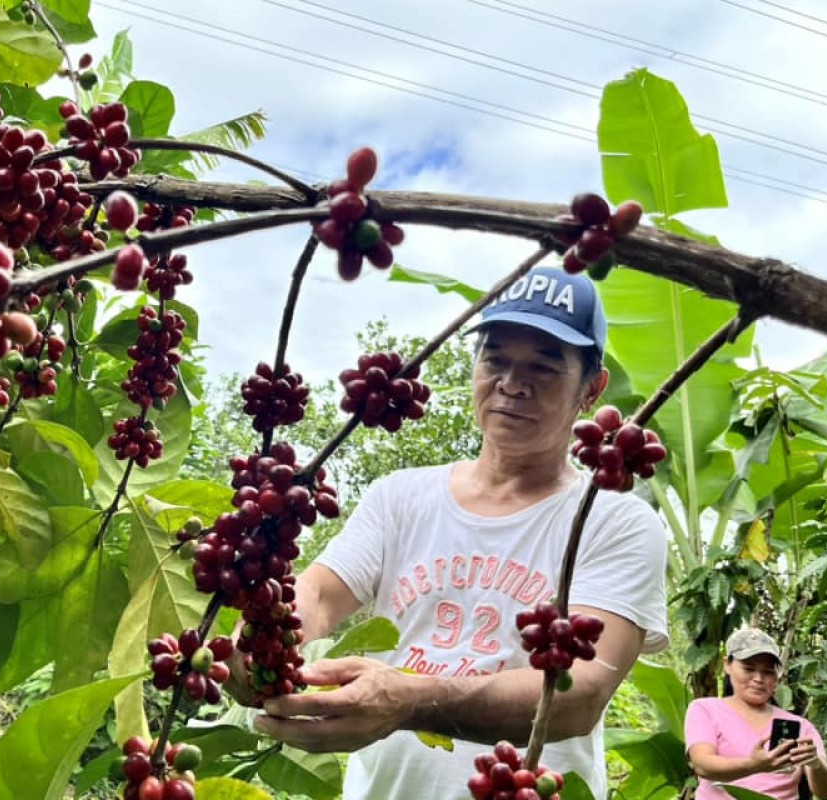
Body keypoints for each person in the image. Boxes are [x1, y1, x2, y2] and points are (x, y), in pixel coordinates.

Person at [243, 266, 671, 800]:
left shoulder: (619, 522)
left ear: (592, 389)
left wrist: (410, 699)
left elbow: (579, 695)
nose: (513, 384)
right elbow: (319, 592)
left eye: (544, 367)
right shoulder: (400, 497)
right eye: (496, 360)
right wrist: (263, 632)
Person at [684, 627, 827, 800]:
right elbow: (703, 765)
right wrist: (755, 765)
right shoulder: (705, 709)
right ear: (727, 664)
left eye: (767, 672)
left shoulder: (802, 727)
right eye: (749, 669)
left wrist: (815, 763)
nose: (758, 678)